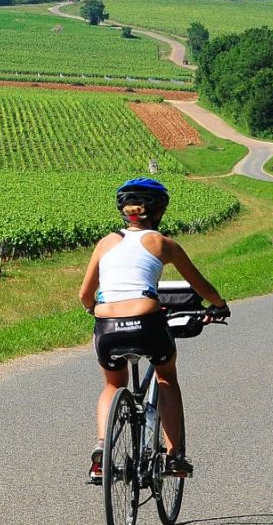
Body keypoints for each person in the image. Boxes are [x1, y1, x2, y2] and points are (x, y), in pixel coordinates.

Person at [79, 178, 228, 482]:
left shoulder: (106, 242)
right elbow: (201, 286)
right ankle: (174, 456)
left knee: (111, 385)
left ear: (124, 211)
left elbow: (85, 295)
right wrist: (219, 304)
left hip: (107, 325)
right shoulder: (164, 244)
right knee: (166, 376)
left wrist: (97, 310)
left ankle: (102, 447)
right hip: (146, 320)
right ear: (159, 211)